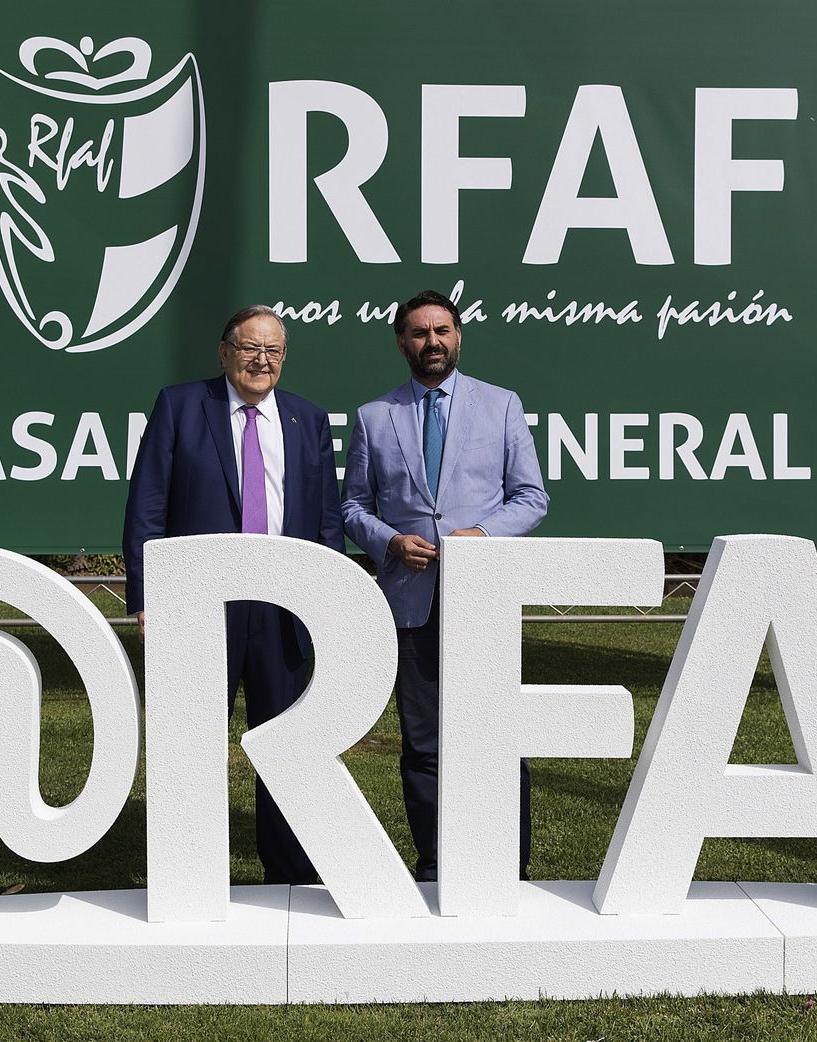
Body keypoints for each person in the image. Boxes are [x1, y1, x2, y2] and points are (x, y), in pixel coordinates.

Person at [123, 305, 342, 885]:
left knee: (288, 744)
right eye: (250, 348)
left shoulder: (307, 420)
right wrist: (146, 596)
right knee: (192, 743)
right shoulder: (180, 407)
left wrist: (328, 601)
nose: (261, 360)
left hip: (285, 608)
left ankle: (291, 872)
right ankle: (187, 871)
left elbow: (324, 520)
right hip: (201, 607)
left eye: (273, 350)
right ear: (225, 353)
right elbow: (147, 507)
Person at [341, 289, 548, 882]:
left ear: (458, 337)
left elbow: (531, 498)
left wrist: (482, 534)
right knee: (423, 740)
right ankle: (434, 862)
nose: (431, 342)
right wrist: (388, 542)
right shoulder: (374, 417)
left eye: (442, 331)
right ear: (401, 342)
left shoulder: (501, 406)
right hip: (410, 602)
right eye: (418, 333)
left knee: (499, 738)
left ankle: (511, 866)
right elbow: (353, 505)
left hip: (482, 601)